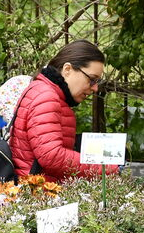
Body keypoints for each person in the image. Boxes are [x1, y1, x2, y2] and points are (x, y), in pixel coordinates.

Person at [9, 40, 116, 181]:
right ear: (67, 70)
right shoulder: (47, 97)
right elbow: (51, 156)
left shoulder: (44, 91)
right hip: (38, 193)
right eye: (91, 79)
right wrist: (107, 168)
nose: (95, 88)